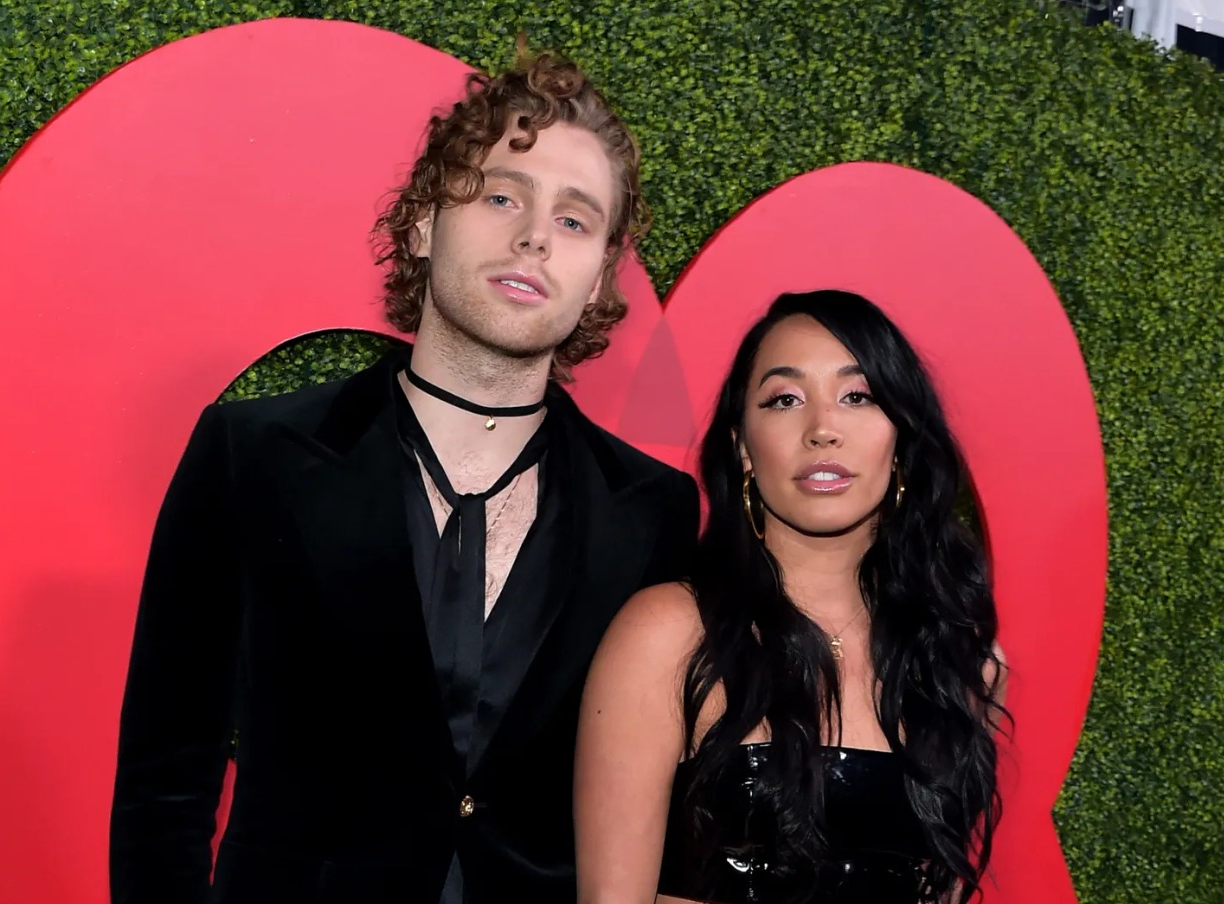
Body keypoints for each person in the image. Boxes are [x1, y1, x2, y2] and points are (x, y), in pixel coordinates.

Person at [109, 50, 699, 904]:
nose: (535, 236)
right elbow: (166, 778)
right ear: (423, 221)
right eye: (502, 196)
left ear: (601, 276)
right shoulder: (252, 456)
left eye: (575, 220)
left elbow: (663, 804)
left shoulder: (653, 511)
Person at [574, 290, 1009, 904]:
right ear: (743, 448)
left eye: (858, 396)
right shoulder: (668, 635)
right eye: (785, 399)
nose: (823, 429)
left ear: (902, 441)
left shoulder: (962, 666)